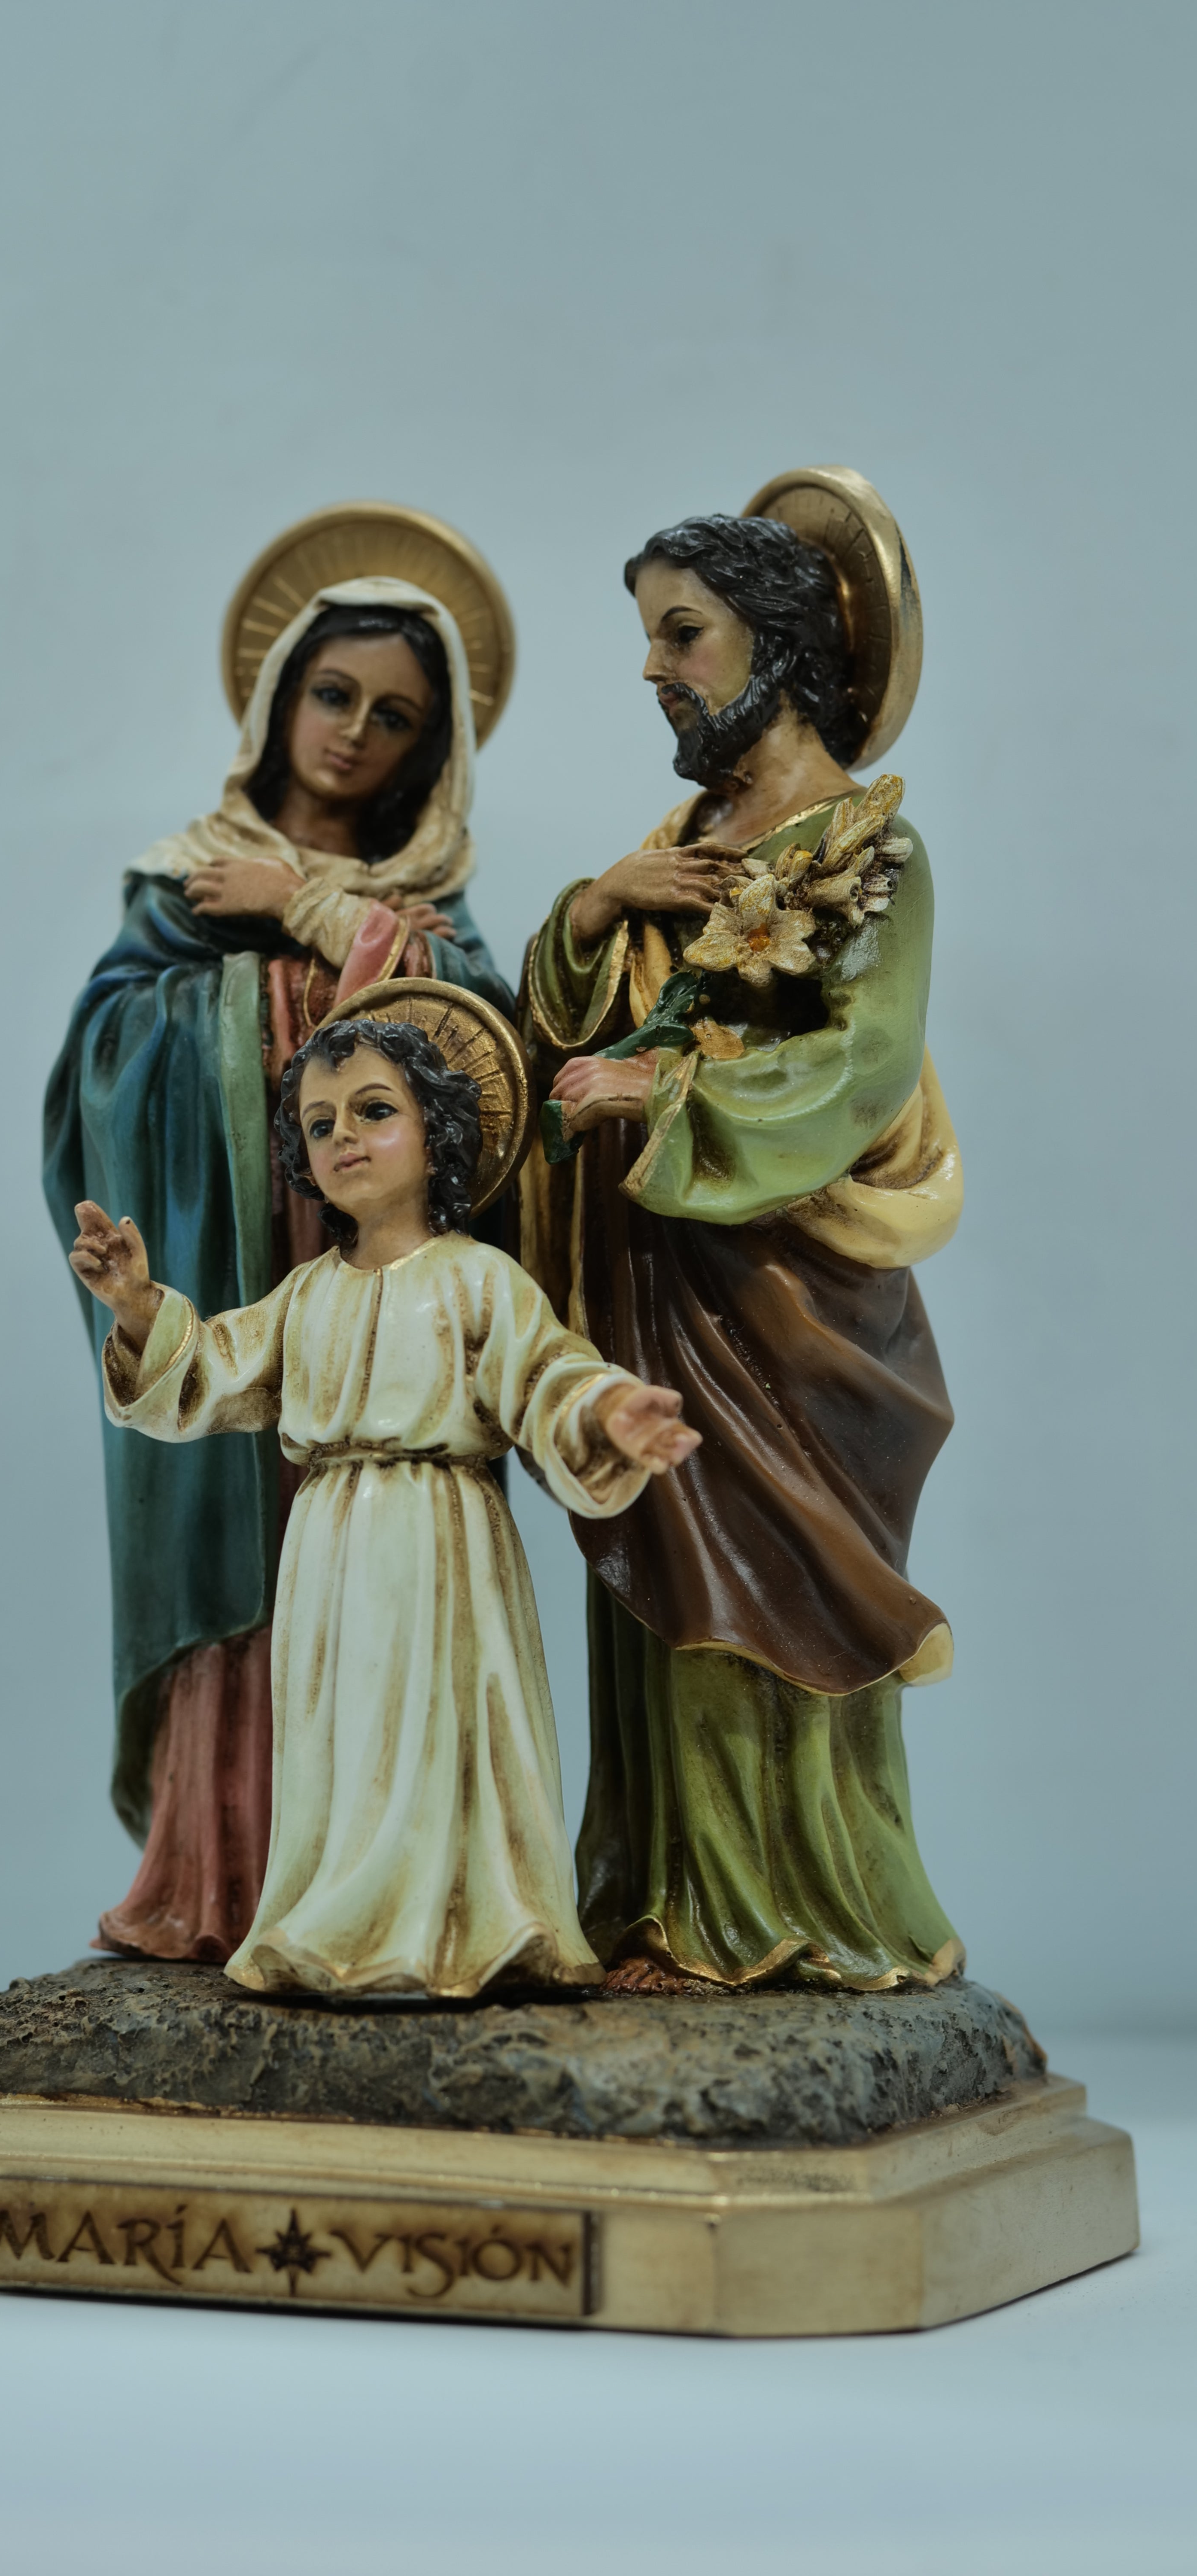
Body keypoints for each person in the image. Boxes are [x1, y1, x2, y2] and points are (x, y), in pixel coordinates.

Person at [45, 511, 517, 1965]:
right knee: (236, 1542)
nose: (353, 734)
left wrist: (313, 913)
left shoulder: (423, 908)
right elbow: (100, 1070)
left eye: (394, 717)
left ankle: (388, 1902)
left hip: (380, 1295)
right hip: (232, 1259)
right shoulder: (188, 879)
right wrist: (259, 996)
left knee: (387, 1576)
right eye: (333, 695)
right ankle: (222, 1879)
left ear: (430, 751)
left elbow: (480, 1039)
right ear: (278, 699)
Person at [519, 470, 966, 1994]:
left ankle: (803, 1912)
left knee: (773, 1588)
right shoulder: (682, 838)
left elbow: (861, 1069)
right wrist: (594, 911)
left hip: (789, 1300)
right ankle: (664, 1901)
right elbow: (573, 1035)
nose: (653, 667)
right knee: (664, 1579)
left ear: (777, 644)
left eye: (681, 634)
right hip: (657, 1280)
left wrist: (662, 1094)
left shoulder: (872, 850)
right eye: (650, 637)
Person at [67, 1002, 698, 1999]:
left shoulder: (479, 1280)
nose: (344, 1139)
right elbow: (210, 1374)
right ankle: (337, 1928)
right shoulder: (306, 1293)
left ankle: (468, 1926)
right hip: (327, 1553)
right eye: (319, 1125)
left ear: (436, 1129)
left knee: (440, 1735)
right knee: (343, 1742)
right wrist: (141, 1309)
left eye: (372, 1111)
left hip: (441, 1540)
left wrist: (610, 1413)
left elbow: (545, 1374)